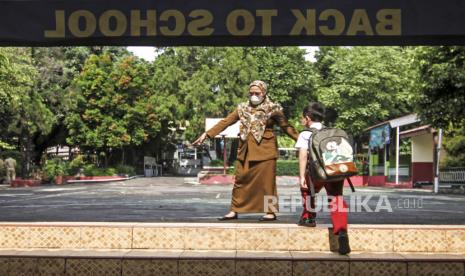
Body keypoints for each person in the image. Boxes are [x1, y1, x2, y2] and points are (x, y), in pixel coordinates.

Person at [193, 80, 298, 221]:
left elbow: (286, 127)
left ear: (264, 92)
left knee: (268, 183)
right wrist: (207, 134)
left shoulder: (274, 109)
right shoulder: (242, 108)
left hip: (266, 151)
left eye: (257, 93)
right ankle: (234, 210)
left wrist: (301, 139)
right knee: (240, 180)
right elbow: (226, 121)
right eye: (251, 93)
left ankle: (270, 212)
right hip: (245, 150)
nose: (254, 95)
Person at [295, 102, 351, 255]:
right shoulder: (333, 131)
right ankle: (341, 231)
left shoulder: (305, 134)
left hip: (317, 173)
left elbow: (303, 156)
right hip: (336, 172)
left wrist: (301, 176)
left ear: (307, 118)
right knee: (336, 198)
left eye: (302, 118)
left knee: (307, 190)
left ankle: (309, 218)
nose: (302, 121)